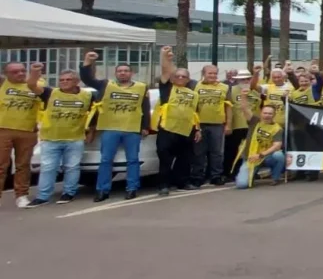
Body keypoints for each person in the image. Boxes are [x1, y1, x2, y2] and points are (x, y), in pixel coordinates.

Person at [79, 51, 150, 202]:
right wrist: (87, 62)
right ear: (115, 73)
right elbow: (87, 79)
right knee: (106, 160)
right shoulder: (106, 85)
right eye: (120, 71)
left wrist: (145, 126)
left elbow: (145, 107)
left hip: (132, 129)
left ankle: (132, 188)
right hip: (110, 128)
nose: (123, 73)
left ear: (131, 73)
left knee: (133, 160)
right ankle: (102, 190)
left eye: (126, 71)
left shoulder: (142, 87)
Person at [25, 64, 97, 207]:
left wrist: (91, 132)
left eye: (68, 79)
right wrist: (34, 71)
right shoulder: (50, 93)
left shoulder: (87, 96)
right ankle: (43, 196)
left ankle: (69, 193)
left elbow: (94, 115)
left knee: (72, 167)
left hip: (75, 138)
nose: (64, 82)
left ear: (77, 82)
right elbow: (32, 85)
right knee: (48, 168)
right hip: (50, 138)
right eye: (62, 80)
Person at [154, 46, 201, 196]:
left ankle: (183, 182)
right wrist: (165, 56)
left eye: (183, 76)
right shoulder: (167, 88)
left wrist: (197, 129)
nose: (180, 78)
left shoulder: (193, 94)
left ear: (188, 79)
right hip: (167, 130)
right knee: (165, 159)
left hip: (186, 130)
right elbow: (165, 71)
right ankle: (163, 185)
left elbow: (193, 113)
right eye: (178, 76)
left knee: (185, 159)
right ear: (173, 78)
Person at [0, 62, 41, 208]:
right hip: (3, 130)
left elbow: (41, 93)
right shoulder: (3, 84)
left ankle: (22, 196)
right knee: (1, 165)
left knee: (23, 165)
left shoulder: (34, 85)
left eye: (23, 71)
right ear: (6, 74)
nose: (20, 74)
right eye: (15, 72)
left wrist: (35, 72)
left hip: (27, 131)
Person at [233, 92, 285, 189]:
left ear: (274, 115)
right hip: (251, 158)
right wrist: (243, 96)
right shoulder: (254, 121)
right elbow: (244, 108)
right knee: (242, 184)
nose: (267, 115)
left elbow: (277, 145)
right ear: (261, 113)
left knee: (279, 155)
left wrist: (261, 155)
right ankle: (253, 174)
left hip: (266, 157)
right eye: (265, 113)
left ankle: (275, 178)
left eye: (270, 113)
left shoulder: (277, 128)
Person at [192, 65, 232, 187]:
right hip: (200, 124)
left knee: (217, 152)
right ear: (203, 74)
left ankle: (216, 176)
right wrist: (195, 126)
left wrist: (228, 124)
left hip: (218, 124)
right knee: (199, 152)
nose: (213, 76)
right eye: (210, 73)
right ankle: (197, 177)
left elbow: (228, 107)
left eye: (215, 73)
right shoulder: (195, 86)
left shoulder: (224, 87)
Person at [225, 69, 258, 178]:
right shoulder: (231, 90)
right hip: (237, 125)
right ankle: (230, 173)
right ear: (237, 80)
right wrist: (228, 124)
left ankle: (251, 171)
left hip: (253, 126)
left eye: (248, 79)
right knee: (233, 150)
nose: (245, 81)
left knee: (251, 149)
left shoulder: (256, 91)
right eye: (242, 79)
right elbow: (227, 107)